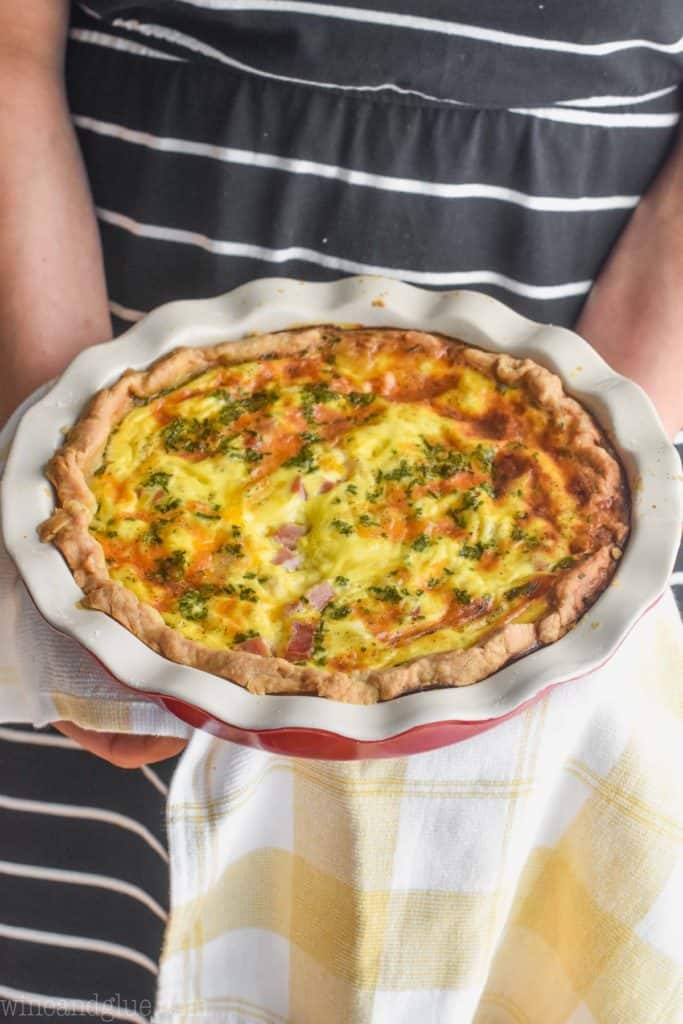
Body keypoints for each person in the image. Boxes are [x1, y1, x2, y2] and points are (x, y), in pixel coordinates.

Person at [1, 0, 681, 1012]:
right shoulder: (86, 503)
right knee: (83, 961)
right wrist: (48, 430)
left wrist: (589, 493)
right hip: (90, 421)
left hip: (542, 477)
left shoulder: (560, 521)